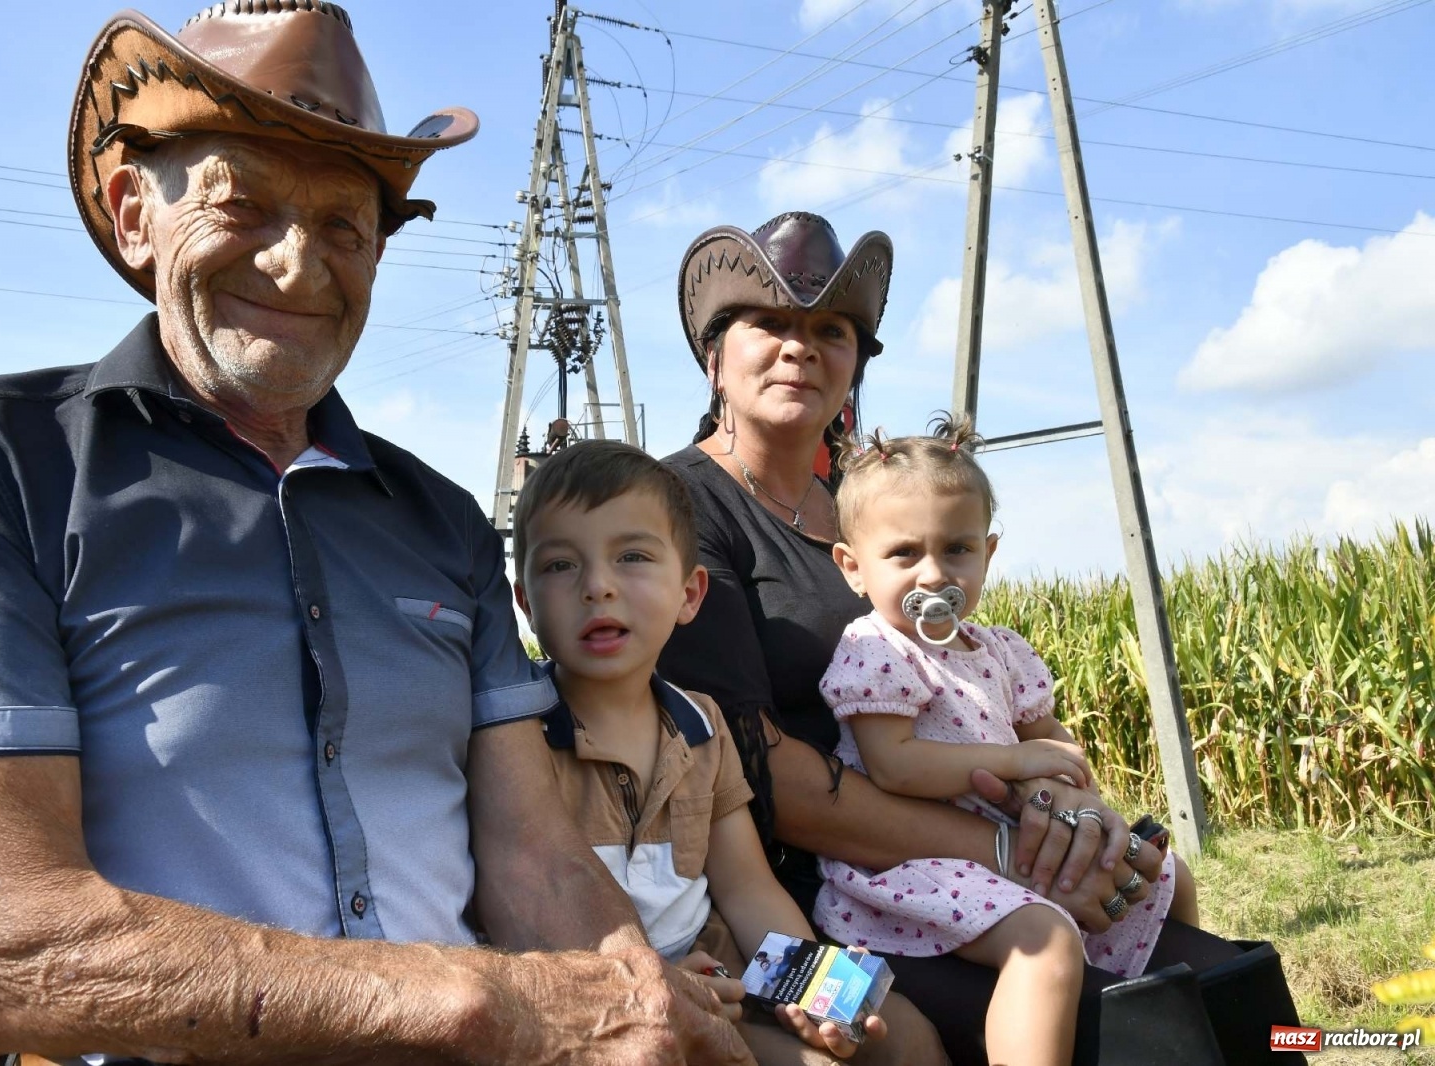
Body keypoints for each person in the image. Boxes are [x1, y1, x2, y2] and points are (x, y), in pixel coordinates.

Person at [0, 7, 747, 1064]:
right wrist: (486, 1004)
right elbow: (3, 948)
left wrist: (637, 1001)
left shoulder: (442, 519)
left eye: (345, 227)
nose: (298, 263)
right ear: (135, 215)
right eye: (242, 203)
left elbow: (535, 858)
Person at [656, 210, 1296, 1064]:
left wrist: (1072, 816)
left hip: (979, 860)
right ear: (714, 356)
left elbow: (989, 699)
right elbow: (761, 775)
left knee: (1234, 999)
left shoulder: (881, 502)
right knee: (1132, 1036)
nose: (800, 347)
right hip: (821, 892)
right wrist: (1013, 852)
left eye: (831, 329)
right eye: (769, 323)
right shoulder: (680, 508)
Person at [508, 439, 946, 1065]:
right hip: (584, 1004)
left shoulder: (703, 727)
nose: (597, 586)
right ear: (525, 602)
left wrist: (814, 992)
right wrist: (648, 984)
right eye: (559, 565)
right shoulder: (516, 734)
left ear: (690, 595)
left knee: (903, 1039)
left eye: (632, 557)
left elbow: (746, 888)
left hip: (714, 971)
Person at [814, 418, 1200, 1066]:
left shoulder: (997, 650)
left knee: (1167, 876)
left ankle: (1184, 1020)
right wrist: (1016, 761)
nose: (933, 575)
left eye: (956, 549)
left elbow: (1047, 737)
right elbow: (894, 766)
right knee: (1042, 942)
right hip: (911, 868)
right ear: (853, 567)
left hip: (1011, 849)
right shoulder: (877, 650)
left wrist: (1070, 780)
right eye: (904, 554)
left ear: (988, 554)